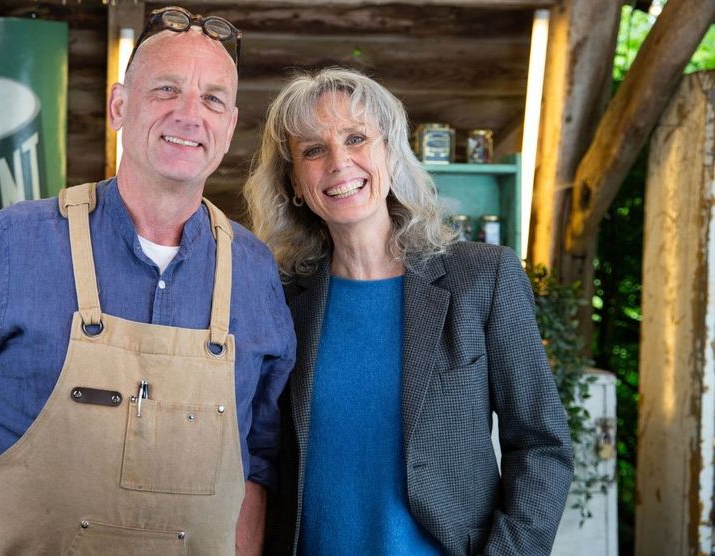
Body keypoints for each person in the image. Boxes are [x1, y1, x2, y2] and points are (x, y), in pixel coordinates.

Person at [0, 6, 296, 556]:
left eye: (213, 98)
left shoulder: (256, 272)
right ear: (119, 106)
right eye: (166, 89)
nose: (190, 114)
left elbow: (256, 462)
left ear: (229, 127)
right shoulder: (17, 242)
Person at [243, 67, 573, 555]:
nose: (339, 161)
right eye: (313, 150)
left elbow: (542, 445)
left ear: (392, 154)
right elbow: (258, 453)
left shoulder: (482, 279)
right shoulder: (280, 300)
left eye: (357, 138)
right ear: (294, 183)